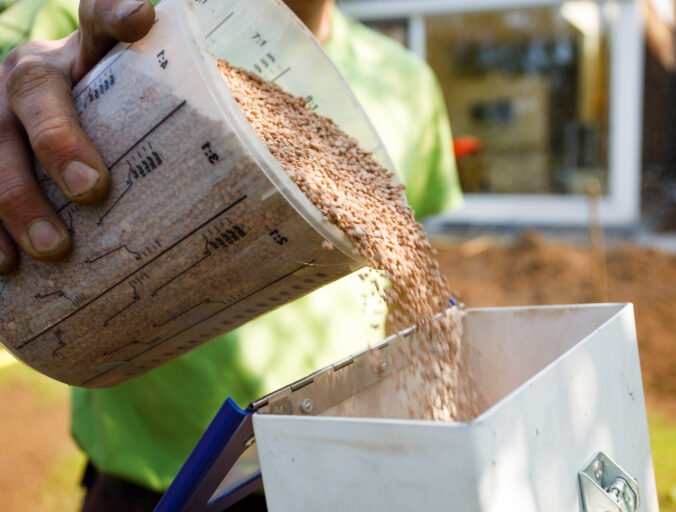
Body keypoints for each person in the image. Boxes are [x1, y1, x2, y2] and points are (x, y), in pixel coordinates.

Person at [0, 0, 462, 509]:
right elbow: (22, 70)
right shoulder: (110, 20)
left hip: (334, 478)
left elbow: (406, 256)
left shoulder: (406, 81)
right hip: (156, 481)